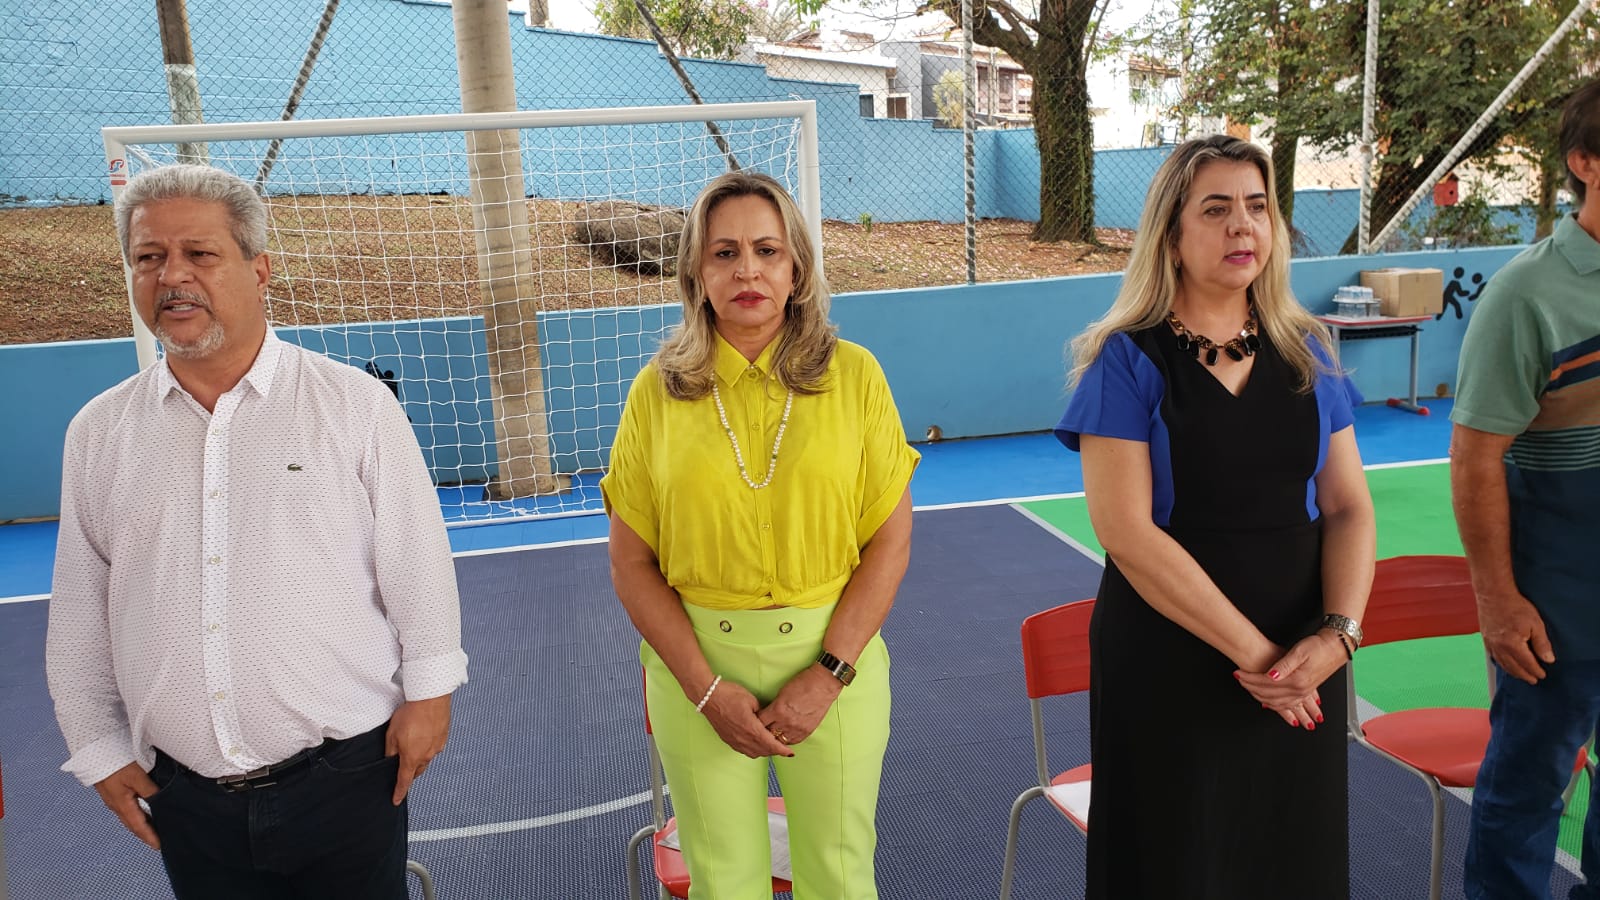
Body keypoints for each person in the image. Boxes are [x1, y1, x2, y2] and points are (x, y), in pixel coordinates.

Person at [46, 164, 468, 899]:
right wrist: (95, 744)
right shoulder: (98, 432)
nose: (172, 276)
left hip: (348, 774)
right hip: (183, 793)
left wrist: (431, 697)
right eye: (149, 257)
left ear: (260, 269)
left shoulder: (355, 406)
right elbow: (82, 608)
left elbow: (418, 567)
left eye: (199, 253)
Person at [1054, 135, 1376, 899]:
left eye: (1258, 208)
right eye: (1216, 209)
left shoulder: (1308, 351)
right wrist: (1262, 659)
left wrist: (1336, 636)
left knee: (1290, 861)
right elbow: (1127, 535)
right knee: (1176, 864)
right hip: (1172, 659)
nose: (1242, 226)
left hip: (1302, 661)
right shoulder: (1126, 361)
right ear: (1171, 235)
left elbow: (1349, 507)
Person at [602, 172, 918, 898]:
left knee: (840, 877)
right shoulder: (655, 393)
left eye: (767, 250)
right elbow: (631, 563)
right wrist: (706, 689)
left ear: (796, 269)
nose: (747, 270)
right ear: (696, 273)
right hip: (697, 670)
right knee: (723, 883)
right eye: (725, 253)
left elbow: (890, 544)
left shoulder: (856, 377)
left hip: (835, 663)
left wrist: (829, 674)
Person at [1454, 79, 1600, 900]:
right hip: (1558, 600)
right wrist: (1497, 600)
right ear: (1585, 163)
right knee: (1528, 789)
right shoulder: (1524, 294)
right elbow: (1475, 458)